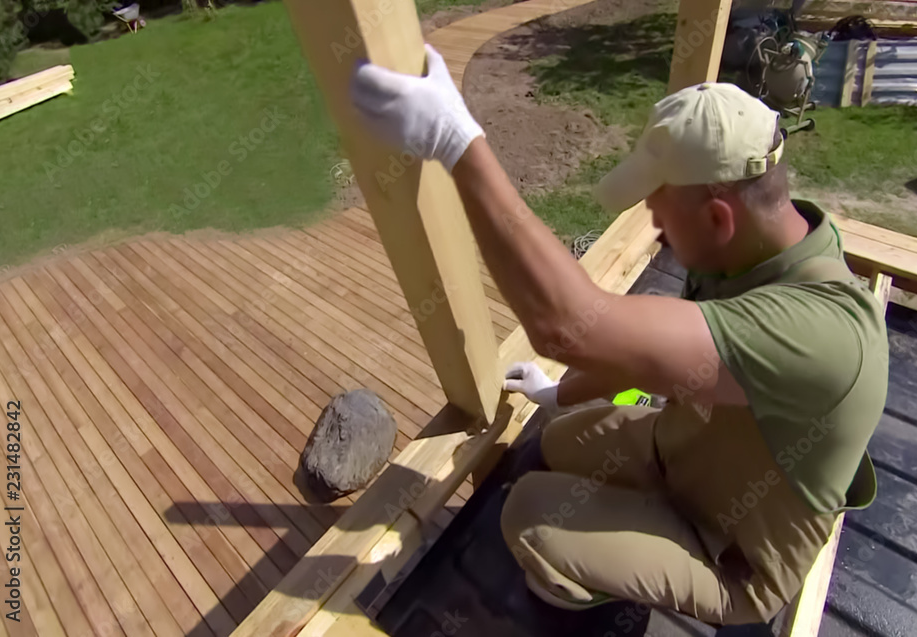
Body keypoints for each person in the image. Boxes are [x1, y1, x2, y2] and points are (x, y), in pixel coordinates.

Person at [351, 45, 888, 625]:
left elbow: (566, 328)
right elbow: (637, 358)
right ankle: (635, 515)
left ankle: (591, 588)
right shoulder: (749, 254)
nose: (653, 225)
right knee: (558, 441)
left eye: (662, 214)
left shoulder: (820, 335)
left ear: (718, 219)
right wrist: (554, 395)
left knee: (529, 516)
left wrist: (456, 142)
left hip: (730, 550)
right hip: (682, 454)